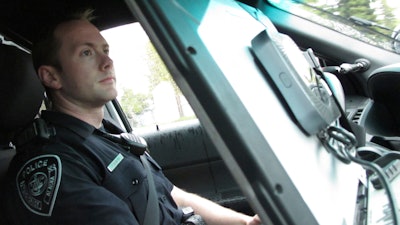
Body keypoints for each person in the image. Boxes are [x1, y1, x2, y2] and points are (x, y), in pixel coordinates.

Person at [1, 9, 262, 225]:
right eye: (86, 53)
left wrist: (246, 223)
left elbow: (172, 195)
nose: (107, 62)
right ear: (51, 77)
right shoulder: (54, 166)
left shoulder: (109, 133)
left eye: (105, 50)